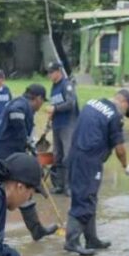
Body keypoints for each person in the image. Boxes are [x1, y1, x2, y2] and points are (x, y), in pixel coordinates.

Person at [64, 89, 129, 256]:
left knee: (89, 198)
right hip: (89, 161)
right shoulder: (114, 116)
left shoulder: (91, 103)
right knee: (85, 198)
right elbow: (120, 149)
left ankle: (91, 239)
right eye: (127, 110)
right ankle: (71, 241)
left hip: (75, 154)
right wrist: (126, 166)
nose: (124, 114)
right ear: (124, 103)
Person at [0, 84, 58, 241]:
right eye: (41, 101)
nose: (41, 105)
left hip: (6, 154)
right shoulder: (20, 105)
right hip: (1, 157)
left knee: (24, 189)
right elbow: (14, 114)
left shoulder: (19, 102)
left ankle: (36, 230)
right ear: (37, 99)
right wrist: (25, 139)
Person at [45, 61, 79, 195]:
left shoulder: (67, 85)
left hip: (68, 125)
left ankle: (70, 186)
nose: (50, 75)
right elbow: (54, 106)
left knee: (68, 155)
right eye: (48, 72)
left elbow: (71, 103)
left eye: (52, 72)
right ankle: (59, 185)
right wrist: (50, 120)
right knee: (57, 155)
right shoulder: (53, 87)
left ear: (59, 71)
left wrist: (55, 108)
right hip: (57, 124)